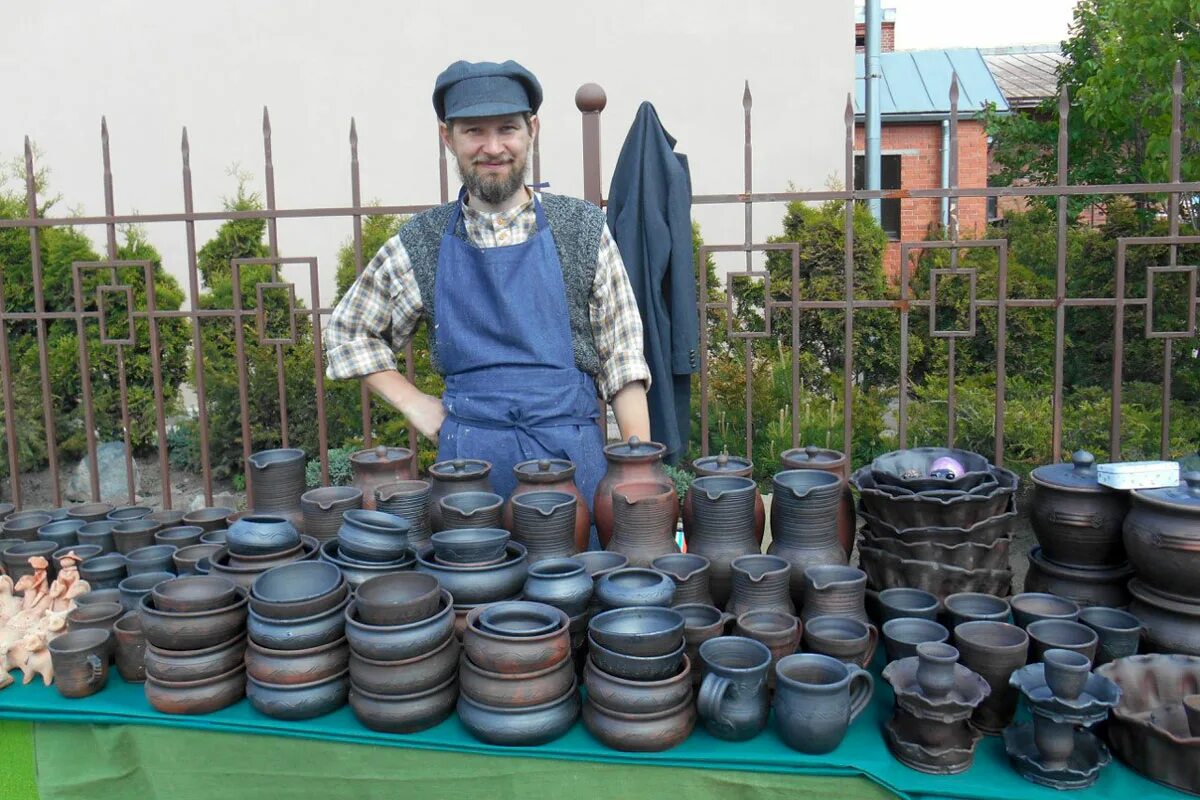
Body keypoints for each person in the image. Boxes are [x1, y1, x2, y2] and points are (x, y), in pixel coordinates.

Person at [325, 59, 651, 546]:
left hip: (573, 466)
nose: (493, 147)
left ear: (532, 130)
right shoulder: (422, 242)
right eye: (474, 131)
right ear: (447, 138)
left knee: (578, 599)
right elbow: (347, 332)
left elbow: (622, 360)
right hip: (467, 474)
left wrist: (638, 476)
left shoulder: (582, 230)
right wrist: (416, 405)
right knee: (473, 604)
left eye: (508, 129)